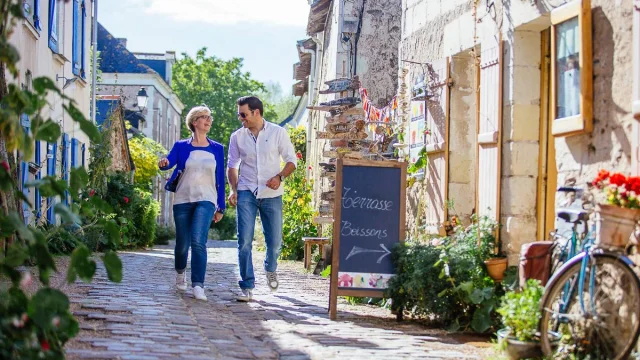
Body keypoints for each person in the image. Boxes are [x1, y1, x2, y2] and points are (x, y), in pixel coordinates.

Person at [227, 96, 297, 302]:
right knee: (244, 241)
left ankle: (271, 268)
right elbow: (232, 166)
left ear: (256, 112)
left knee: (275, 242)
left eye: (243, 114)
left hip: (272, 194)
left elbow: (292, 161)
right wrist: (233, 189)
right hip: (246, 191)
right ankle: (247, 285)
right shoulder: (237, 137)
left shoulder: (278, 132)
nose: (241, 119)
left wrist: (280, 177)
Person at [158, 105, 225, 301]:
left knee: (198, 241)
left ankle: (198, 285)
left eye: (209, 117)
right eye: (204, 117)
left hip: (207, 199)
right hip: (183, 199)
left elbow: (220, 178)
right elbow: (169, 162)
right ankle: (180, 272)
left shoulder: (217, 149)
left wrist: (221, 206)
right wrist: (163, 163)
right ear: (194, 122)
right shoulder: (181, 146)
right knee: (182, 244)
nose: (208, 120)